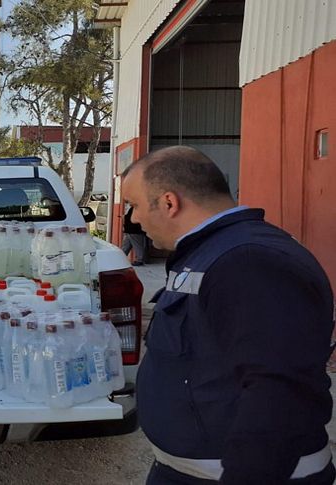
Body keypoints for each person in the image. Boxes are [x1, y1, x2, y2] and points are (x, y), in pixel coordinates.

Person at [121, 146, 334, 485]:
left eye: (134, 205)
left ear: (168, 202)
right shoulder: (213, 252)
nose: (132, 219)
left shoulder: (248, 261)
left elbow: (279, 394)